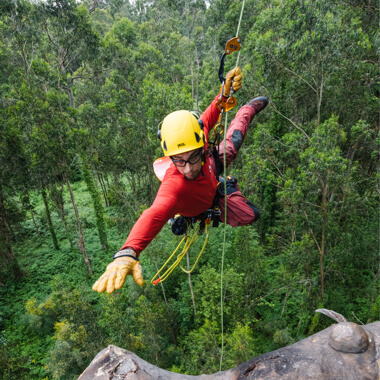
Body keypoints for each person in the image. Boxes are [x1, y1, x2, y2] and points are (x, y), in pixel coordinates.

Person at [92, 67, 268, 293]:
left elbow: (213, 112)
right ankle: (224, 185)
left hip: (212, 166)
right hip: (210, 198)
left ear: (201, 142)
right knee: (251, 215)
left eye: (193, 157)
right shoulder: (174, 185)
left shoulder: (197, 137)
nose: (188, 168)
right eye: (179, 161)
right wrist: (128, 252)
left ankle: (247, 109)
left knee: (232, 142)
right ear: (170, 157)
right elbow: (154, 213)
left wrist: (224, 94)